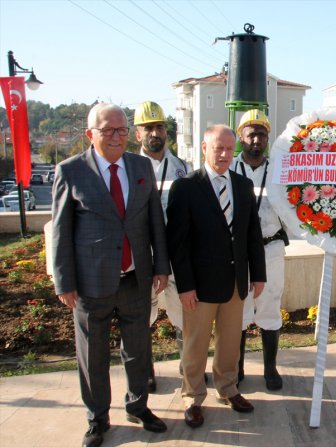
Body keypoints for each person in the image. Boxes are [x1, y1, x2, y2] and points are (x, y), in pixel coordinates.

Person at [51, 103, 170, 447]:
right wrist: (65, 281)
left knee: (137, 348)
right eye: (108, 130)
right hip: (91, 284)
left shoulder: (140, 165)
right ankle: (97, 418)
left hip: (136, 276)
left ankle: (138, 406)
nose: (116, 136)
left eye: (121, 129)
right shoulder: (70, 171)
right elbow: (60, 230)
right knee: (94, 354)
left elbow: (154, 223)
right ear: (91, 134)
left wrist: (160, 266)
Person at [166, 124, 266, 429]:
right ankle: (193, 397)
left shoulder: (241, 184)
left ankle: (228, 388)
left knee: (230, 341)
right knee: (195, 344)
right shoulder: (185, 187)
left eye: (228, 148)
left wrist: (258, 274)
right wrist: (185, 286)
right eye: (217, 148)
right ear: (204, 147)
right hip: (198, 285)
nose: (224, 154)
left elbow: (251, 233)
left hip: (235, 281)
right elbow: (177, 243)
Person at [134, 101, 192, 392]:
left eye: (159, 127)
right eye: (148, 128)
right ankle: (146, 371)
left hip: (175, 254)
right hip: (143, 255)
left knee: (184, 313)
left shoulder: (183, 168)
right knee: (143, 315)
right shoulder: (130, 168)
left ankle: (187, 367)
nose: (155, 133)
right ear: (138, 134)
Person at [233, 109, 288, 391]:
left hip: (271, 247)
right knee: (238, 310)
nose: (256, 139)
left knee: (270, 307)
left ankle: (270, 369)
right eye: (251, 133)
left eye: (262, 134)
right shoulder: (229, 169)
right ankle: (238, 368)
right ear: (241, 136)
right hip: (238, 252)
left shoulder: (280, 170)